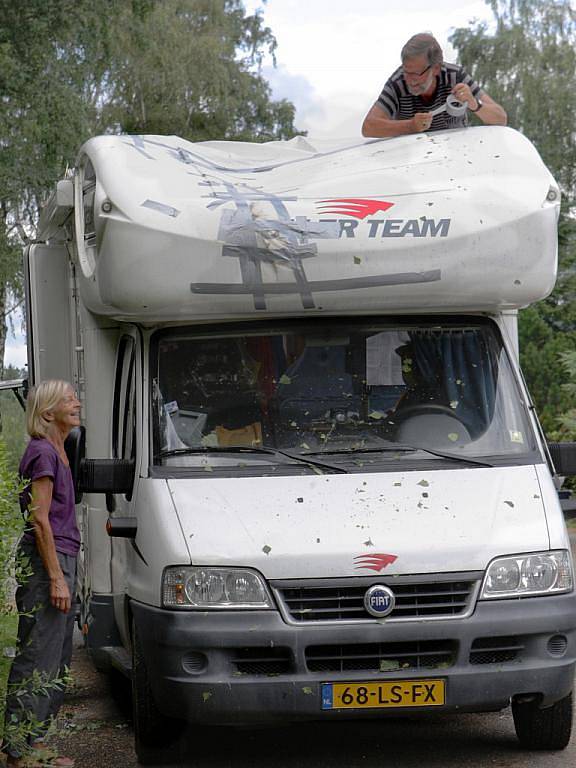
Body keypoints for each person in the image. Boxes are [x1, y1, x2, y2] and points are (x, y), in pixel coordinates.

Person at [2, 381, 81, 768]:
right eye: (69, 398)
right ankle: (18, 751)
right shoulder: (42, 453)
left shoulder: (59, 452)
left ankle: (33, 744)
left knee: (57, 657)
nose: (77, 402)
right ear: (47, 412)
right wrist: (56, 577)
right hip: (47, 561)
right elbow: (39, 518)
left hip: (63, 556)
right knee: (38, 656)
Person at [362, 32, 507, 137]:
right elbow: (368, 127)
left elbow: (500, 118)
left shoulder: (455, 76)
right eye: (406, 71)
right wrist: (410, 126)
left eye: (416, 74)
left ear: (436, 68)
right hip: (411, 160)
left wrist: (474, 103)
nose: (410, 80)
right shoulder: (397, 82)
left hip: (456, 154)